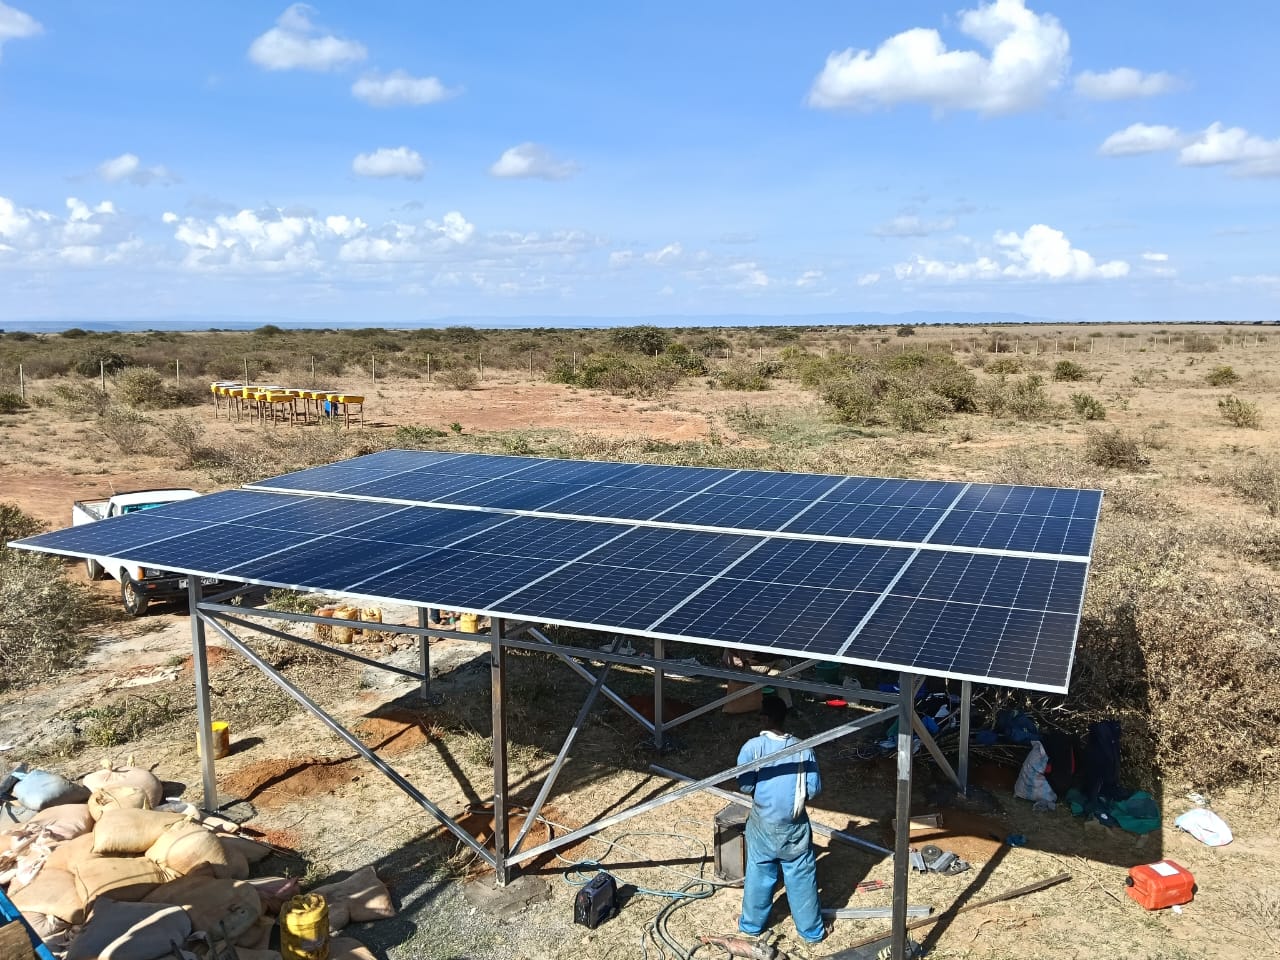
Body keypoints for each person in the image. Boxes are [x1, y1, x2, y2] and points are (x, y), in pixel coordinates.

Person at [736, 695, 825, 947]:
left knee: (758, 870)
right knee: (801, 875)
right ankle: (811, 932)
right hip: (794, 826)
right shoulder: (803, 748)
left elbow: (744, 785)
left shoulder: (752, 747)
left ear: (764, 718)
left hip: (762, 822)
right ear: (784, 718)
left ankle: (751, 925)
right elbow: (813, 789)